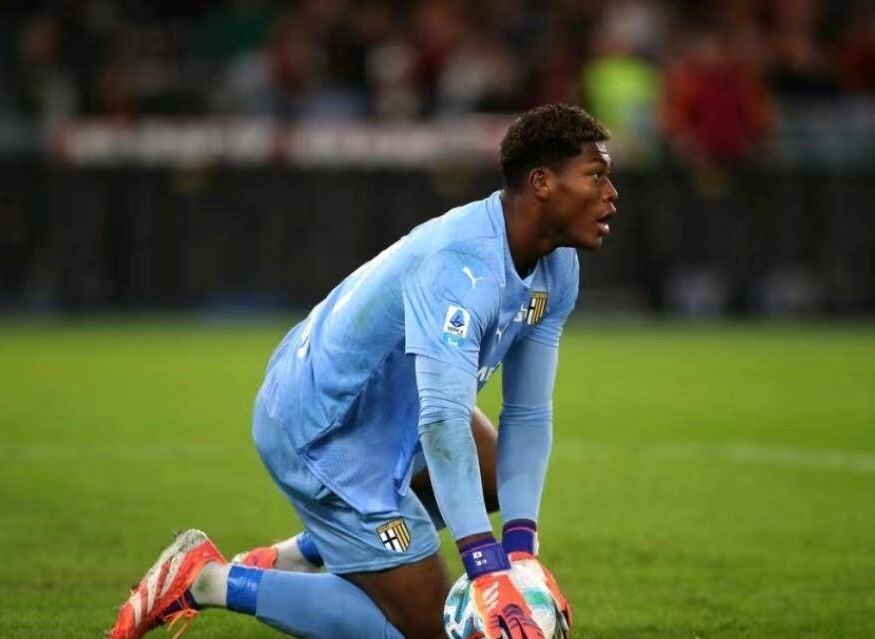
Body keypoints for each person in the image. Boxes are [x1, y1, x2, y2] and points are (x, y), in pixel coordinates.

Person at [109, 103, 618, 639]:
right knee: (429, 630)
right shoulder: (460, 265)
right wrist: (485, 567)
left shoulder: (558, 264)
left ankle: (311, 550)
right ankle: (206, 580)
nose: (611, 194)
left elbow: (528, 412)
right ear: (542, 183)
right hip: (326, 427)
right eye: (596, 175)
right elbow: (444, 421)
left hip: (400, 406)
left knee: (492, 475)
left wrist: (521, 551)